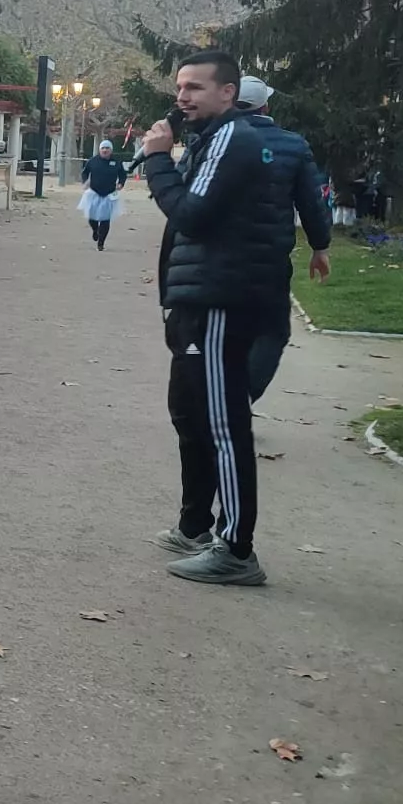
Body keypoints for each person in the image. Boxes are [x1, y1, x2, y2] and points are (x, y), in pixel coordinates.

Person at [140, 51, 312, 587]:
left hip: (220, 301)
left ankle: (236, 548)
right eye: (180, 87)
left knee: (223, 425)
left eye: (195, 87)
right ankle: (196, 527)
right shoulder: (218, 139)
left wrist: (157, 159)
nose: (182, 97)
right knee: (190, 414)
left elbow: (191, 214)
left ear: (228, 94)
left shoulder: (233, 139)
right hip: (202, 297)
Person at [236, 77, 331, 401]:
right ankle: (243, 394)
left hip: (216, 254)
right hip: (268, 256)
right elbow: (311, 203)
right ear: (266, 106)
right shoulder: (293, 145)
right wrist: (320, 246)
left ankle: (220, 396)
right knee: (272, 331)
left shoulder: (212, 138)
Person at [79, 138, 128, 250]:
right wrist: (85, 181)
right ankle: (95, 230)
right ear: (99, 150)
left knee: (105, 220)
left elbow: (122, 175)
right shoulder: (92, 161)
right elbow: (85, 172)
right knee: (92, 218)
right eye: (103, 148)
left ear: (111, 150)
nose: (105, 150)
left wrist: (121, 183)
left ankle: (101, 243)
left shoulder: (116, 162)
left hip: (109, 194)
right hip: (94, 193)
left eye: (107, 148)